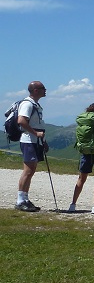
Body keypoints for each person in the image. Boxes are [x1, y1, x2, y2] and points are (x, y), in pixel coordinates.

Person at [15, 81, 48, 212]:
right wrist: (35, 133)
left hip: (35, 140)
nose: (45, 90)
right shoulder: (27, 104)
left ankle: (25, 199)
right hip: (29, 140)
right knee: (28, 171)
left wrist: (43, 140)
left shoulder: (34, 104)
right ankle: (20, 200)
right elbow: (21, 120)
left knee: (31, 170)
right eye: (42, 88)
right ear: (35, 90)